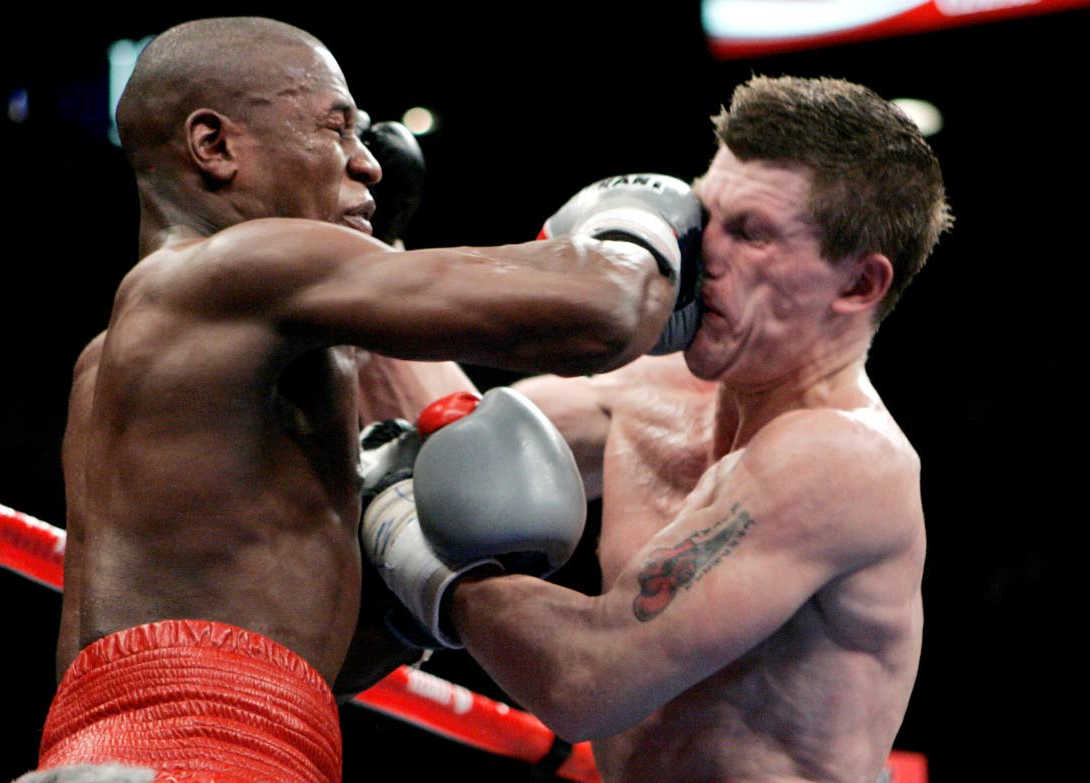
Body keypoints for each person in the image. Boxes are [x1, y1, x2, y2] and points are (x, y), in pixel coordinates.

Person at [29, 15, 704, 783]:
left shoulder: (112, 361)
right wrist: (639, 230)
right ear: (214, 146)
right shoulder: (237, 266)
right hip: (193, 760)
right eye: (335, 127)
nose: (370, 162)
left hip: (160, 752)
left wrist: (403, 585)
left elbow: (281, 666)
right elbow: (601, 312)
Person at [361, 74, 952, 783]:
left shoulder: (844, 458)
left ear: (857, 285)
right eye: (707, 212)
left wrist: (401, 536)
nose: (702, 251)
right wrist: (368, 257)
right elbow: (452, 440)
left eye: (751, 233)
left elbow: (586, 678)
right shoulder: (654, 389)